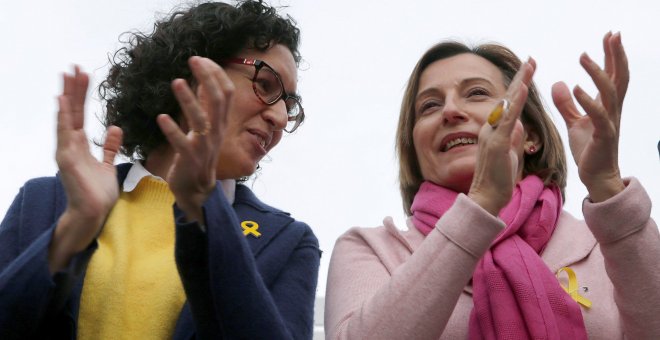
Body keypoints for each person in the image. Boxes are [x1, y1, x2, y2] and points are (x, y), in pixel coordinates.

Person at [0, 1, 320, 339]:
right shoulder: (42, 201)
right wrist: (72, 229)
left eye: (290, 106)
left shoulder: (289, 241)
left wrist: (204, 209)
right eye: (266, 85)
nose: (281, 118)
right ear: (196, 73)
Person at [325, 32, 660, 339]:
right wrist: (481, 205)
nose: (451, 111)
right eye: (429, 105)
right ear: (414, 150)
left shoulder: (606, 246)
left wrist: (607, 185)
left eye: (477, 93)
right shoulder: (371, 249)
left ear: (531, 135)